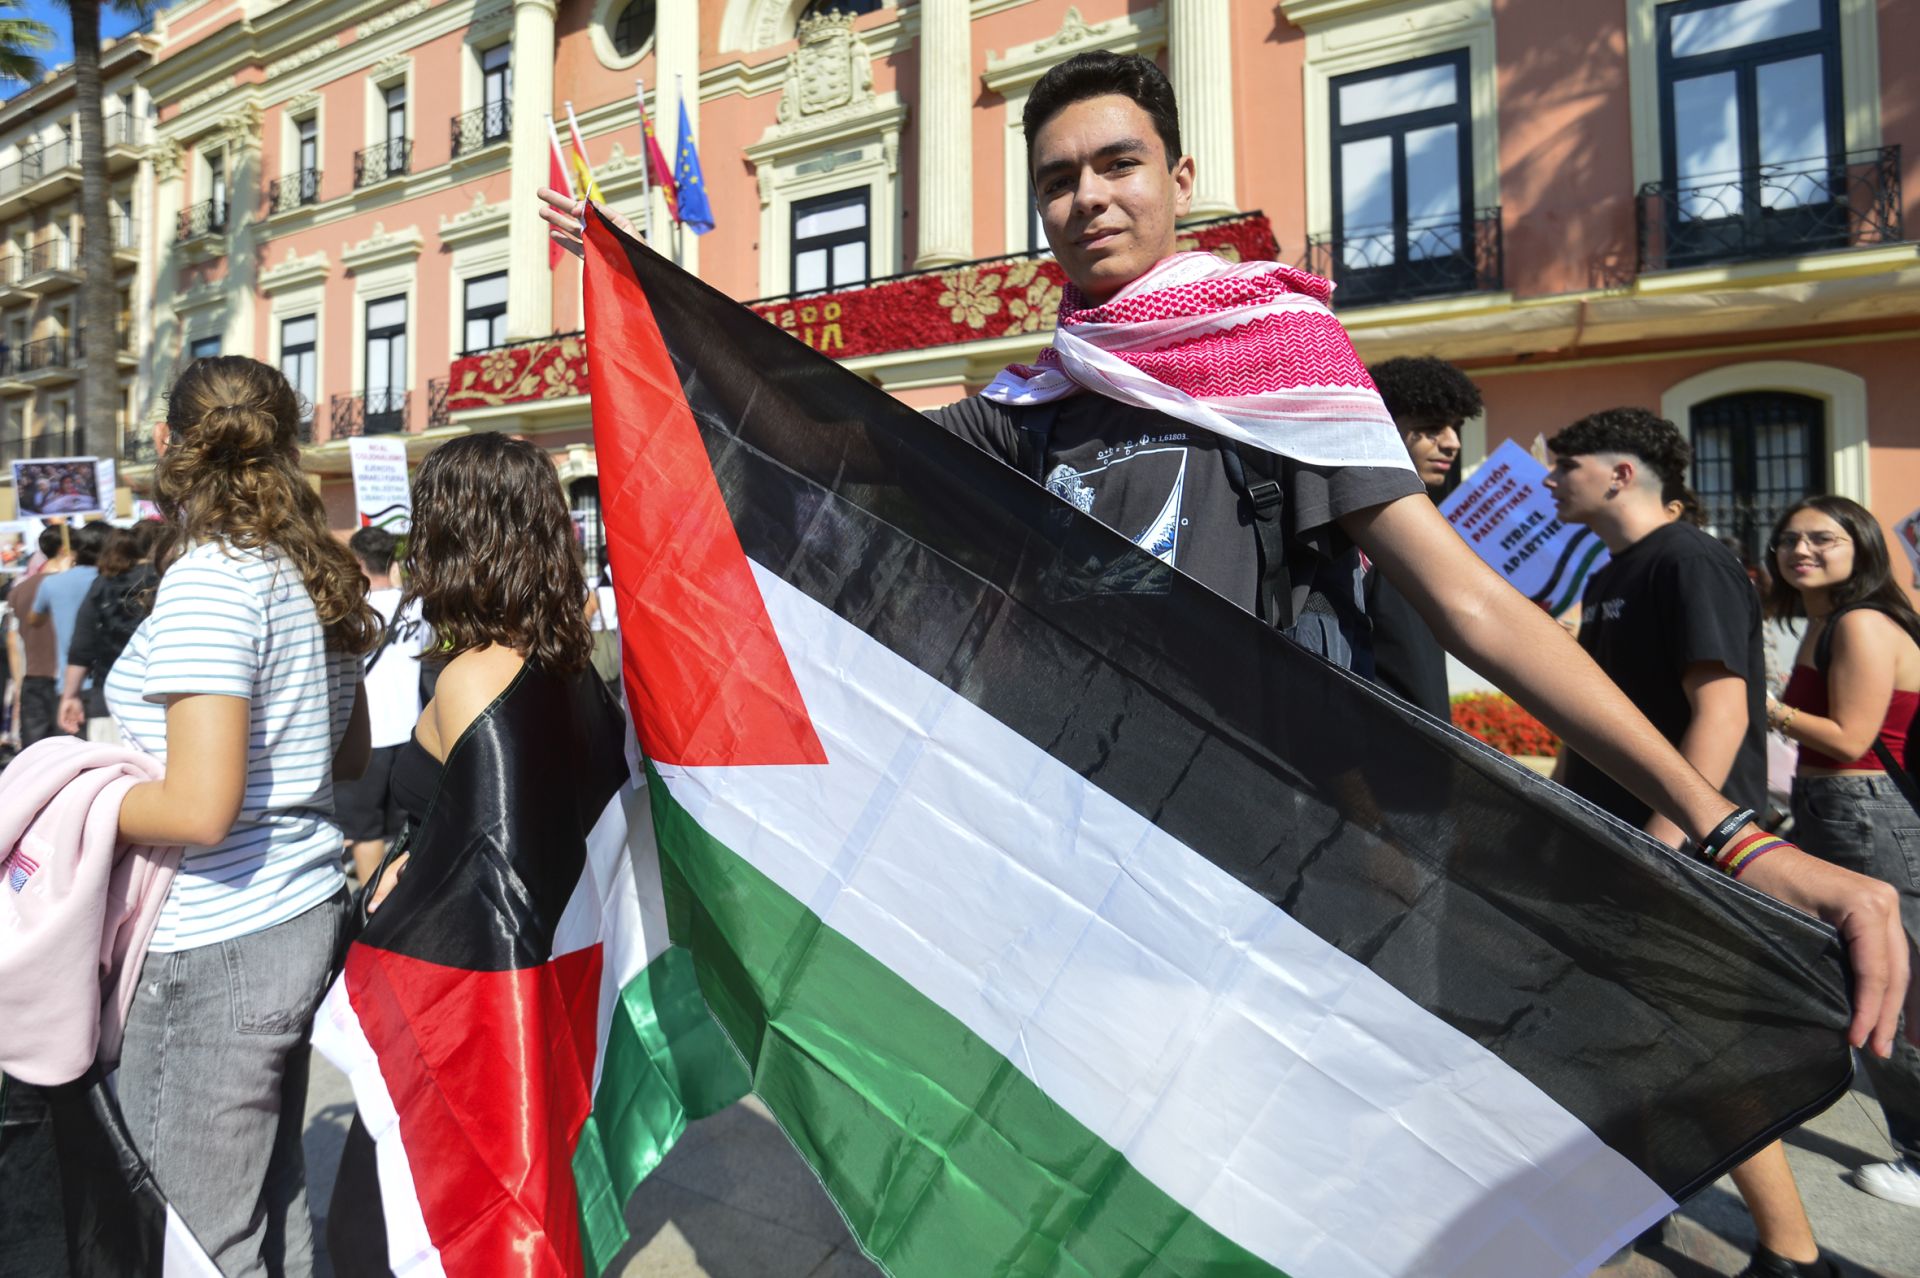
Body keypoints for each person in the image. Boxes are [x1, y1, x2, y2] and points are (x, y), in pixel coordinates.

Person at [540, 50, 1910, 1069]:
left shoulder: (1281, 365)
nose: (1087, 198)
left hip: (1258, 861)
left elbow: (1477, 605)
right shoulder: (1033, 401)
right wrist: (639, 287)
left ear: (1181, 179)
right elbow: (809, 440)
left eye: (1118, 163)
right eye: (1058, 179)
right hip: (1078, 863)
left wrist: (1727, 828)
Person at [1544, 408, 1833, 1278]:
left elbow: (1722, 710)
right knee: (1630, 1037)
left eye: (1567, 465)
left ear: (1623, 474)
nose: (1553, 480)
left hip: (1679, 846)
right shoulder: (1613, 572)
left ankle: (1794, 1253)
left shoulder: (1690, 558)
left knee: (1694, 1045)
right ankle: (1635, 1199)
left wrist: (1668, 842)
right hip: (1618, 839)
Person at [106, 356, 376, 1276]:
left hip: (215, 939)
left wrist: (77, 793)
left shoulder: (213, 579)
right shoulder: (320, 575)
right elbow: (343, 759)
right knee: (273, 1189)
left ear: (165, 444)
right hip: (300, 910)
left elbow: (200, 808)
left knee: (186, 1235)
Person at [334, 433, 617, 1276]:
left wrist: (396, 889)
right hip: (542, 1016)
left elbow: (487, 883)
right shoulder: (573, 669)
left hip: (463, 1026)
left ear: (458, 535)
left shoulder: (473, 678)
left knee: (383, 1228)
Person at [1766, 495, 1920, 1209]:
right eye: (1789, 539)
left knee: (1892, 983)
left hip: (1864, 813)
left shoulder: (1858, 623)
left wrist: (1764, 706)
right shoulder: (1826, 620)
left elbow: (1851, 738)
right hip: (1837, 811)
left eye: (1822, 539)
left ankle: (1918, 1157)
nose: (1801, 550)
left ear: (1860, 545)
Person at [1361, 356, 1480, 719]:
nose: (1453, 443)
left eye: (1456, 428)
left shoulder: (1429, 515)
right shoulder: (1359, 527)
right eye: (1432, 428)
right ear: (1386, 427)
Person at [335, 525, 428, 886]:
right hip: (411, 733)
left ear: (357, 562)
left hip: (365, 738)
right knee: (408, 830)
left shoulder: (353, 612)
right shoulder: (416, 606)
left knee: (365, 831)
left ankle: (372, 908)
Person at [57, 524, 158, 741]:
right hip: (161, 701)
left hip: (108, 699)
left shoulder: (102, 583)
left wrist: (70, 695)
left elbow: (82, 647)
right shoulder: (167, 580)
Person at [28, 522, 102, 722]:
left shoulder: (51, 584)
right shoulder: (110, 580)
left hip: (70, 682)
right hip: (106, 683)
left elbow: (33, 619)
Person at [10, 527, 74, 745]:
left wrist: (19, 684)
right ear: (65, 549)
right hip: (69, 680)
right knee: (70, 754)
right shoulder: (73, 586)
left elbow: (13, 640)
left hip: (33, 679)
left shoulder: (20, 589)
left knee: (35, 754)